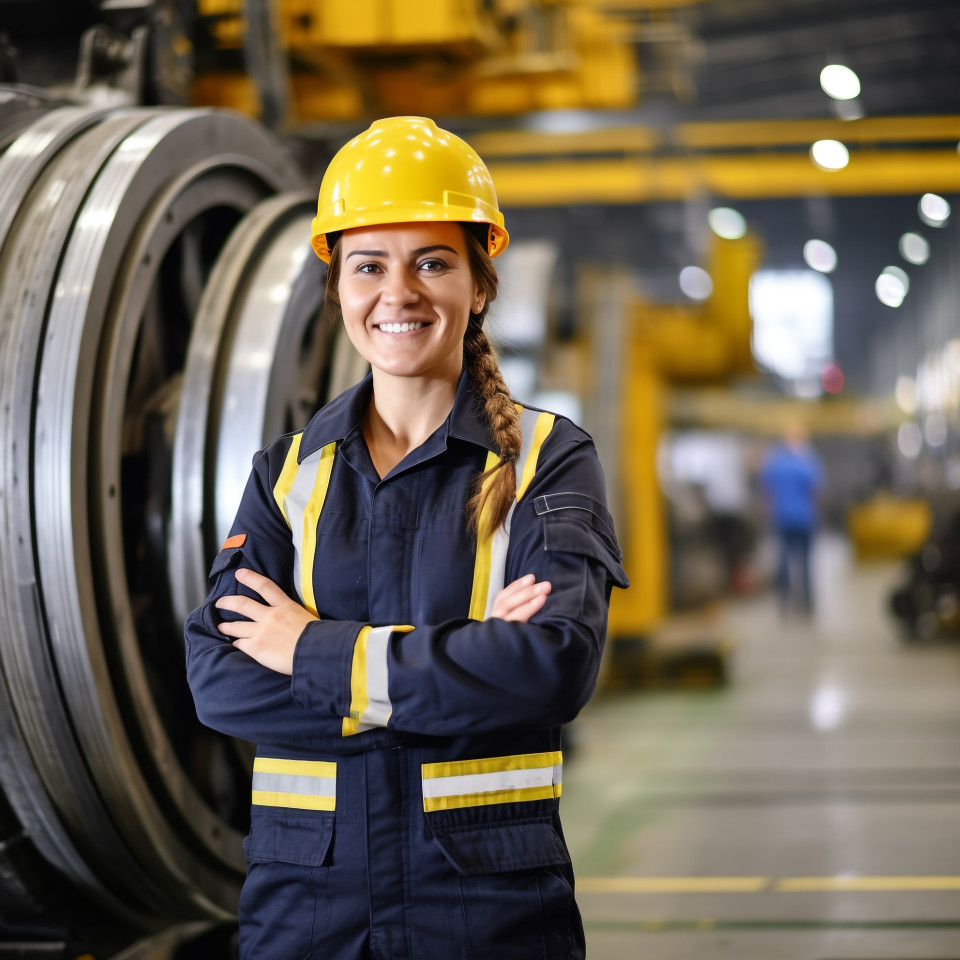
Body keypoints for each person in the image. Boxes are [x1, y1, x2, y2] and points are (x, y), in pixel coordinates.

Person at [185, 116, 628, 960]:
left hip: (486, 910)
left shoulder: (546, 459)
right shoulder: (287, 475)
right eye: (369, 266)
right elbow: (217, 682)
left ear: (480, 284)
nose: (399, 292)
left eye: (432, 261)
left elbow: (552, 668)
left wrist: (308, 649)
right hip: (308, 912)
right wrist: (459, 671)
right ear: (338, 289)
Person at [760, 421, 823, 616]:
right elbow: (818, 490)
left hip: (782, 518)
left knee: (784, 560)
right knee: (805, 562)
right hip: (805, 519)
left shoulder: (775, 461)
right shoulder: (808, 460)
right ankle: (807, 605)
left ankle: (784, 604)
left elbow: (766, 490)